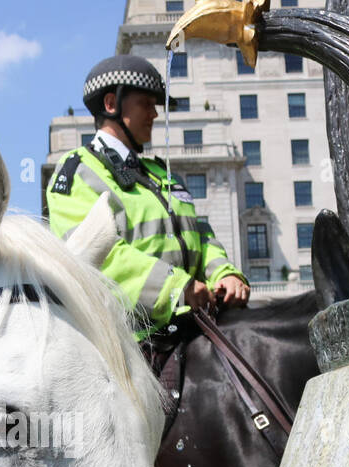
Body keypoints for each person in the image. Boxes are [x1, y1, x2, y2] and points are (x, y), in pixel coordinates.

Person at [46, 54, 250, 336]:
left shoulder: (161, 172)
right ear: (111, 104)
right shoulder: (77, 170)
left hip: (196, 322)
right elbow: (96, 255)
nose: (154, 114)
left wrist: (224, 273)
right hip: (131, 338)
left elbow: (201, 234)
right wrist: (174, 287)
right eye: (145, 103)